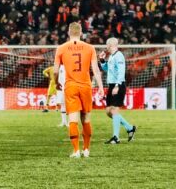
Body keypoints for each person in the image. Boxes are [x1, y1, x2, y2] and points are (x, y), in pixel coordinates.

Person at [54, 22, 104, 158]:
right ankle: (86, 150)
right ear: (81, 32)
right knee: (86, 119)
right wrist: (100, 86)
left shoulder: (61, 48)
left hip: (70, 86)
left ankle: (76, 151)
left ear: (69, 32)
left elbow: (55, 70)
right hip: (86, 86)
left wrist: (56, 82)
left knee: (73, 120)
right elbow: (95, 70)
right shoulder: (90, 48)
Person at [102, 38, 136, 144]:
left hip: (119, 84)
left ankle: (116, 137)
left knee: (115, 110)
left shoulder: (119, 55)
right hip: (112, 85)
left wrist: (117, 85)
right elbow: (107, 69)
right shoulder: (112, 56)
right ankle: (130, 128)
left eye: (107, 44)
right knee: (109, 111)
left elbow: (121, 72)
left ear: (111, 44)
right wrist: (102, 61)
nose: (106, 46)